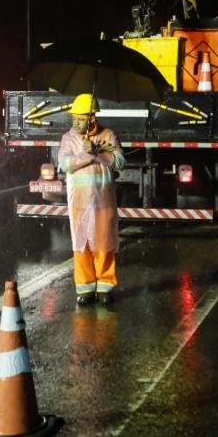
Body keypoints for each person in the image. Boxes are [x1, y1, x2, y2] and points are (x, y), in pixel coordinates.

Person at [57, 93, 125, 305]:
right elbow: (65, 165)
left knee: (104, 244)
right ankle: (84, 288)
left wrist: (98, 152)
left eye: (79, 118)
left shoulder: (108, 135)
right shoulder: (68, 138)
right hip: (78, 203)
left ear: (92, 119)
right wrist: (89, 155)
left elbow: (120, 162)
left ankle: (105, 286)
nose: (75, 122)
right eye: (74, 118)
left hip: (103, 201)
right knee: (81, 245)